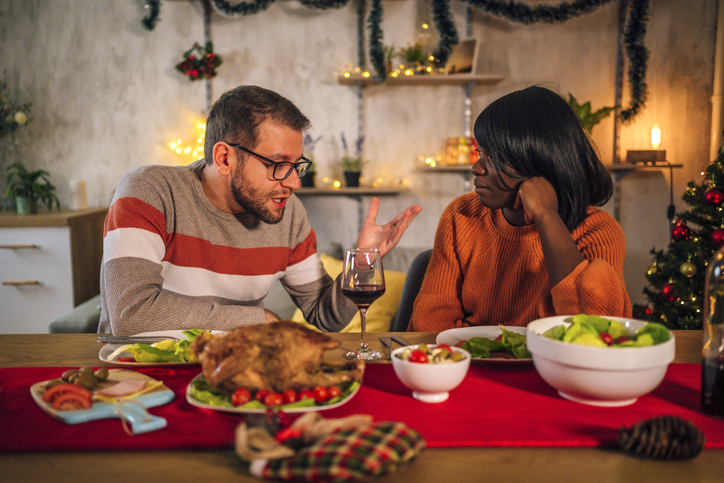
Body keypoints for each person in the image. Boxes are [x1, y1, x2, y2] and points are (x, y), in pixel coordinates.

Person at [98, 85, 421, 336]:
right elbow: (131, 314)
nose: (294, 182)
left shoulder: (288, 213)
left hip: (234, 375)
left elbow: (327, 317)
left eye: (297, 166)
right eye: (279, 164)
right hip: (140, 378)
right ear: (225, 158)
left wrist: (363, 260)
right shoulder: (149, 191)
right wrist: (257, 320)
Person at [409, 85, 631, 332]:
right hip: (471, 364)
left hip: (549, 369)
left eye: (494, 157)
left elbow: (598, 327)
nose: (477, 168)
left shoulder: (597, 230)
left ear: (539, 161)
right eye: (480, 152)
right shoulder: (462, 215)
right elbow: (429, 324)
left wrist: (547, 217)